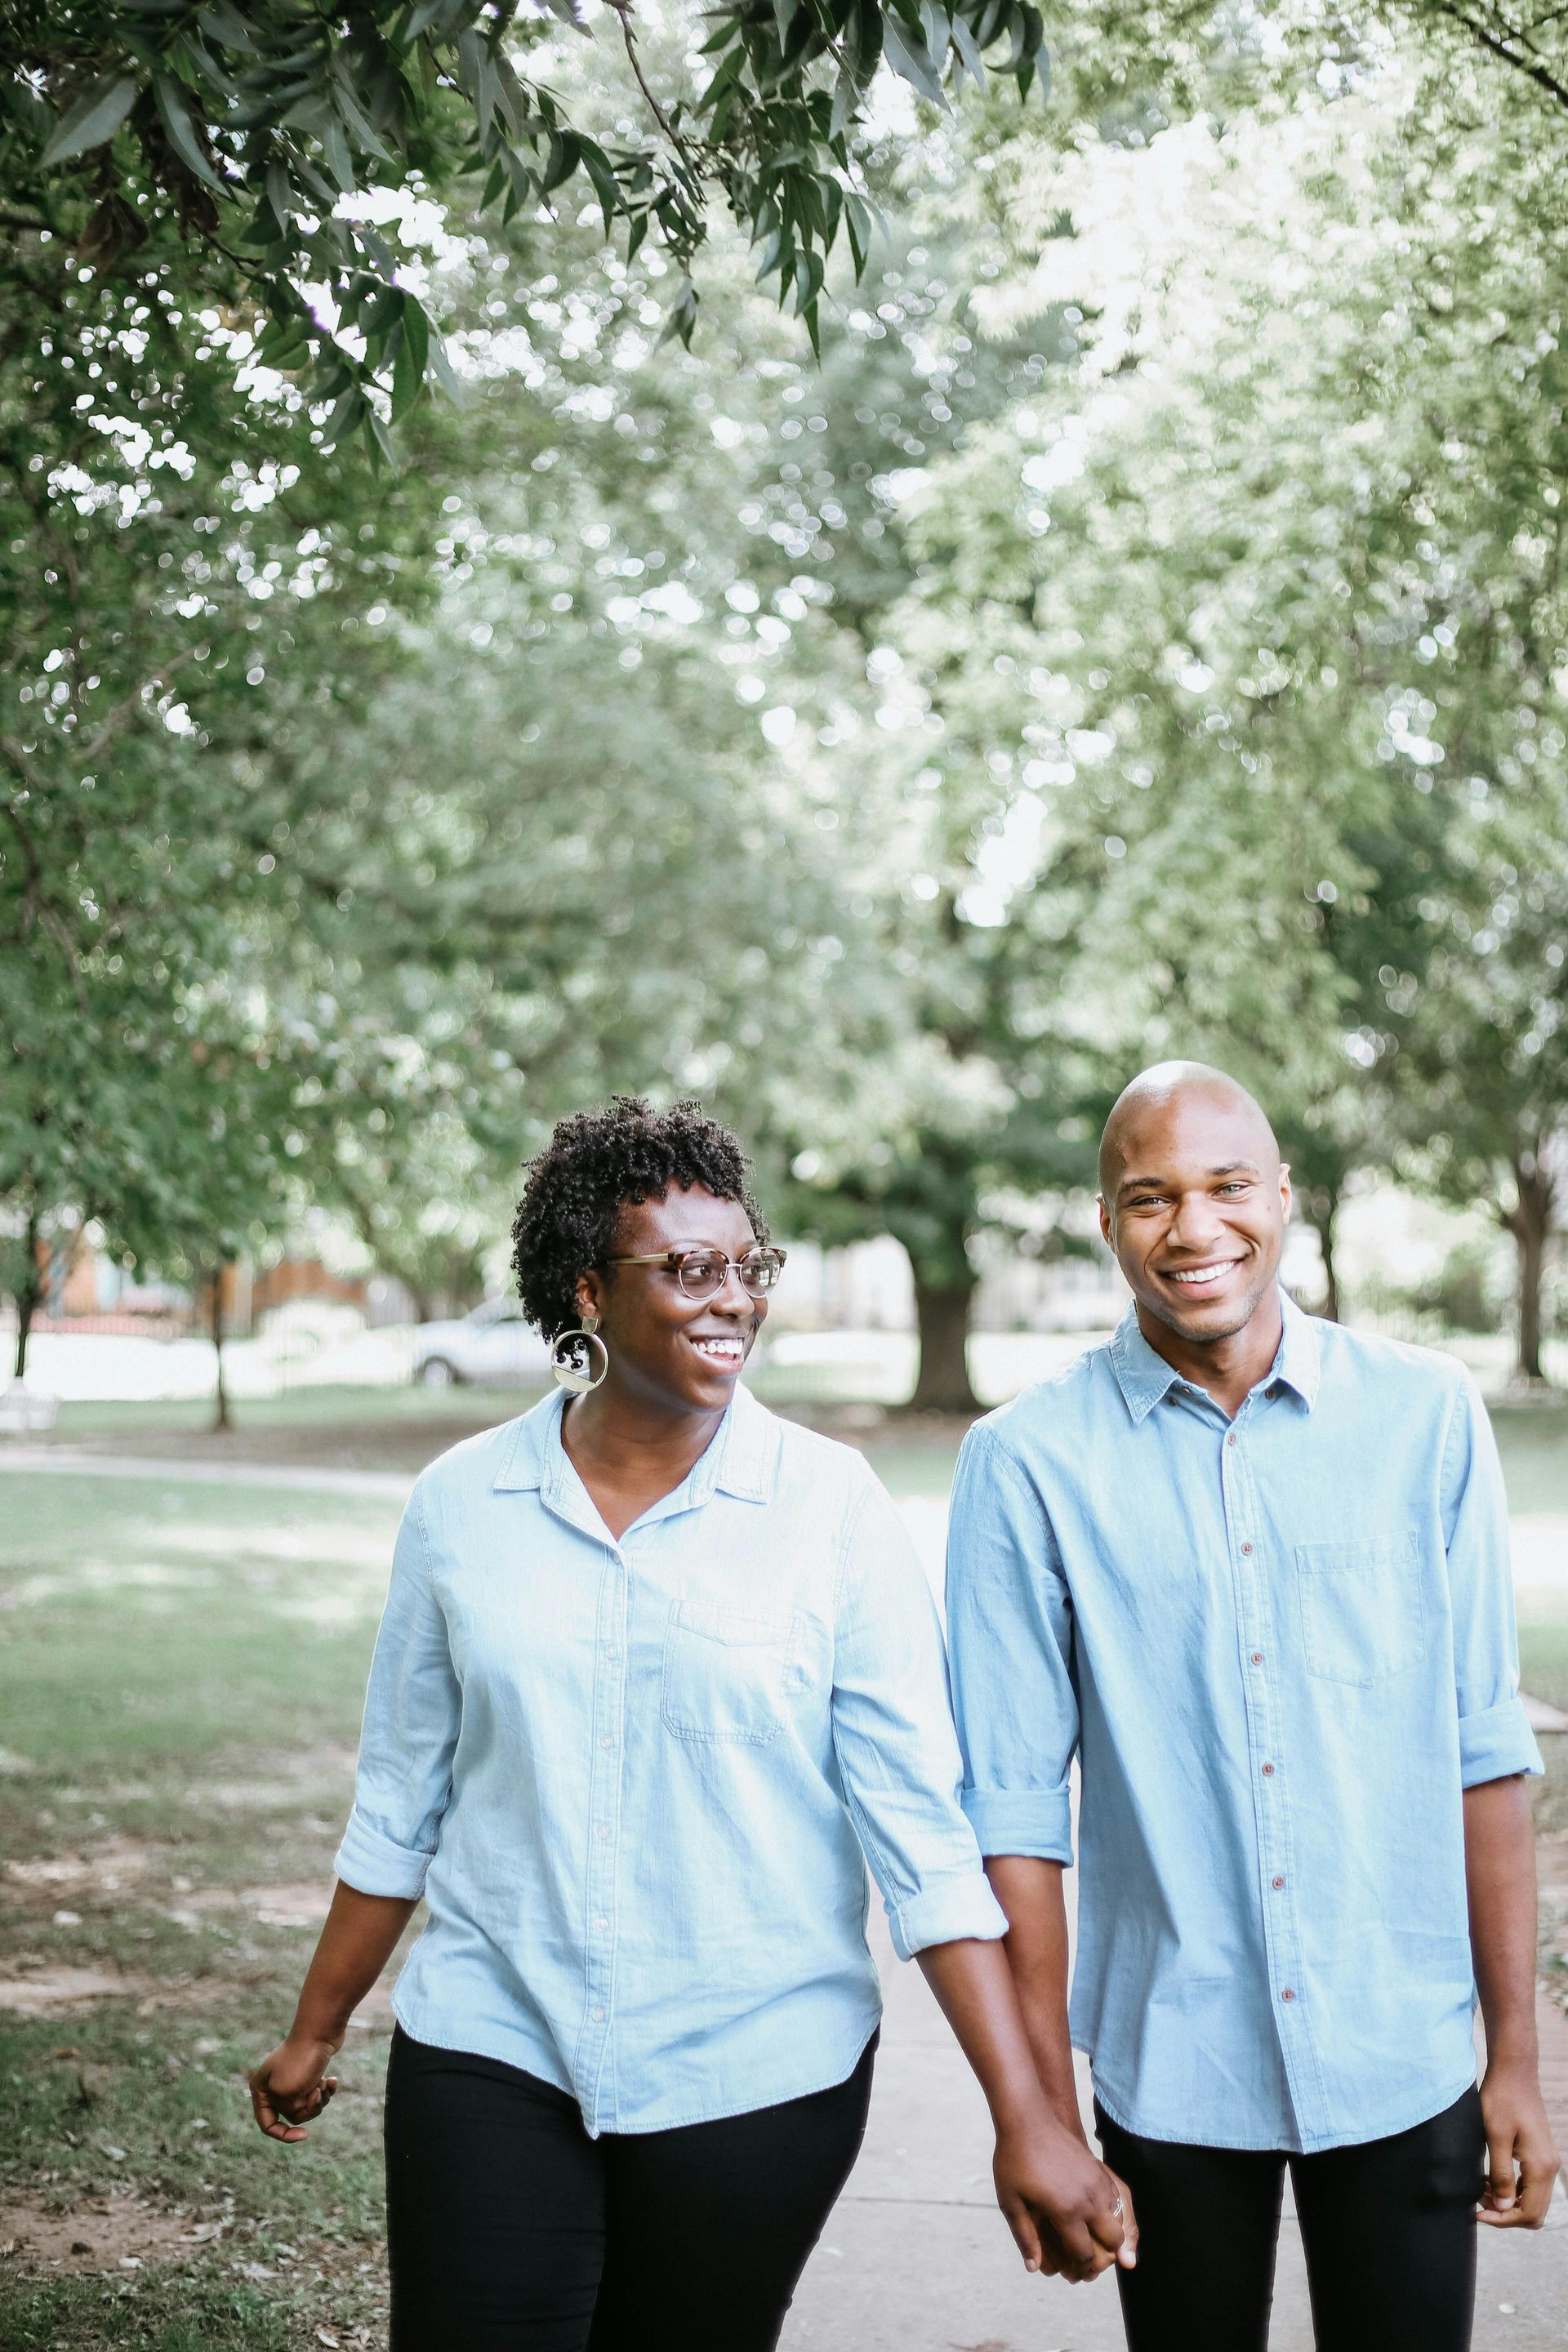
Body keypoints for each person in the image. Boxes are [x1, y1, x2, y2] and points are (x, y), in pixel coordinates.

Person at [249, 1098, 1133, 2352]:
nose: (734, 1298)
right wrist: (315, 2029)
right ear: (588, 1295)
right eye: (689, 1269)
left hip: (755, 2070)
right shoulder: (461, 1507)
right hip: (495, 2041)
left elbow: (922, 1839)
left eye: (746, 1265)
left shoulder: (829, 1509)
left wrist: (1028, 2111)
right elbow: (402, 1798)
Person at [946, 1059, 1560, 2352]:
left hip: (1407, 2054)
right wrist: (1045, 2113)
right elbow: (1014, 1815)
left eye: (1228, 1186)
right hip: (1173, 2067)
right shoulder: (1024, 1463)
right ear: (1107, 1221)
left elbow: (1484, 1755)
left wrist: (1517, 2057)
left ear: (1284, 1196)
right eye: (1150, 1196)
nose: (1195, 1228)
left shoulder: (1428, 1418)